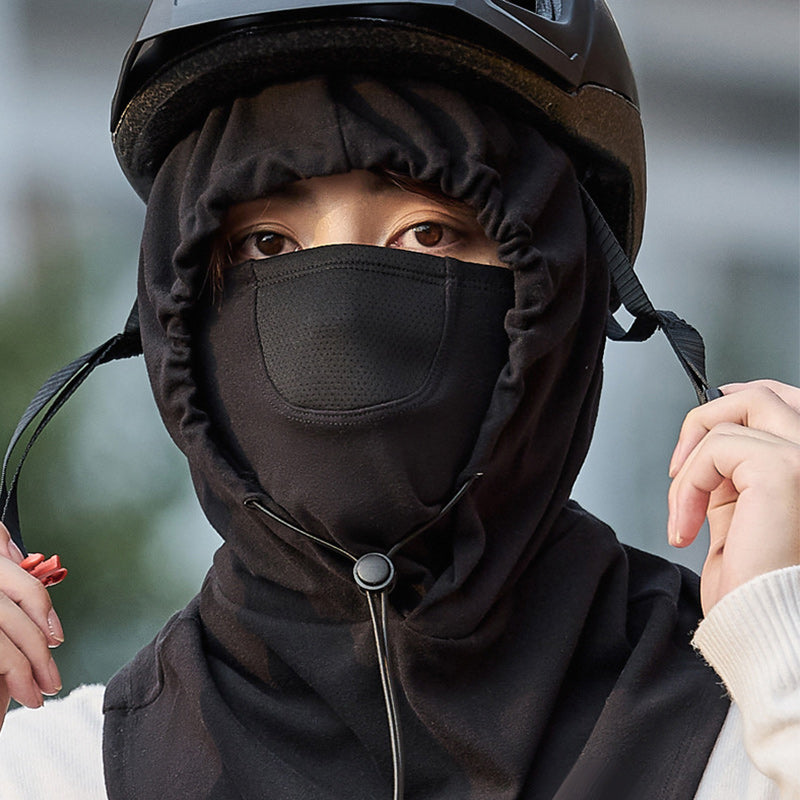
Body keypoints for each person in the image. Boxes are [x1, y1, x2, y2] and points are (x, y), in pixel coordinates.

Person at [0, 1, 798, 799]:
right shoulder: (65, 770)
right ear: (176, 314)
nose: (339, 320)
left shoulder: (749, 723)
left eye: (428, 232)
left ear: (567, 286)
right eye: (267, 244)